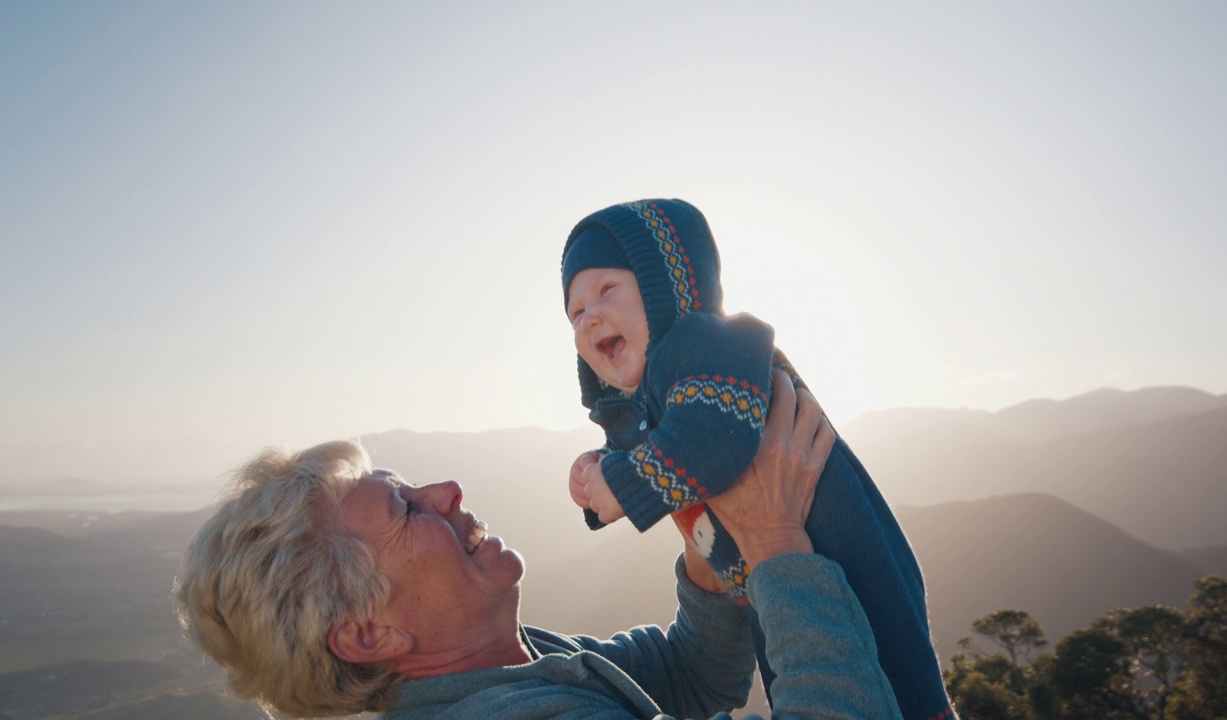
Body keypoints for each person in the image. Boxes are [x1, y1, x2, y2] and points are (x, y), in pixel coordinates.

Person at [174, 372, 905, 719]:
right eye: (404, 508)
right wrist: (777, 543)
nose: (449, 490)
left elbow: (684, 681)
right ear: (369, 631)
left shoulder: (504, 668)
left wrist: (704, 544)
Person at [562, 199, 953, 720]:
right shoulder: (661, 396)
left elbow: (713, 444)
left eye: (606, 290)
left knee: (901, 680)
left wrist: (622, 484)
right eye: (575, 313)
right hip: (782, 584)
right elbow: (656, 447)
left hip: (846, 562)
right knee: (794, 673)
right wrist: (597, 471)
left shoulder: (714, 346)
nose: (589, 318)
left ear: (667, 285)